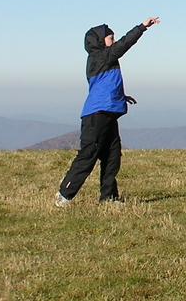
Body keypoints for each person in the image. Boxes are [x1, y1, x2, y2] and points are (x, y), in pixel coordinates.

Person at [55, 17, 160, 207]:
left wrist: (122, 96)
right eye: (111, 38)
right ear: (101, 40)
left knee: (112, 156)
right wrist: (142, 27)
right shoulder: (99, 57)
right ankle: (64, 195)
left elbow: (105, 84)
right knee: (89, 154)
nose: (113, 41)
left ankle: (109, 197)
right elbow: (124, 45)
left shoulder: (104, 60)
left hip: (108, 111)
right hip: (97, 114)